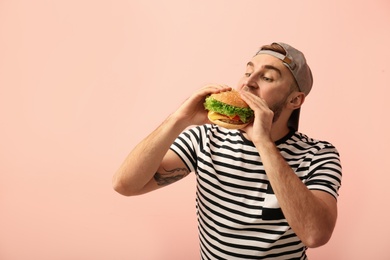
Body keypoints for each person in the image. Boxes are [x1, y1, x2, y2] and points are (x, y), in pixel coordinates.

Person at [112, 42, 342, 259]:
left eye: (267, 77)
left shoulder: (319, 155)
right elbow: (125, 185)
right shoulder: (204, 139)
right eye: (247, 72)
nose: (248, 82)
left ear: (295, 100)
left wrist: (263, 143)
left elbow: (315, 234)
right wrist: (178, 119)